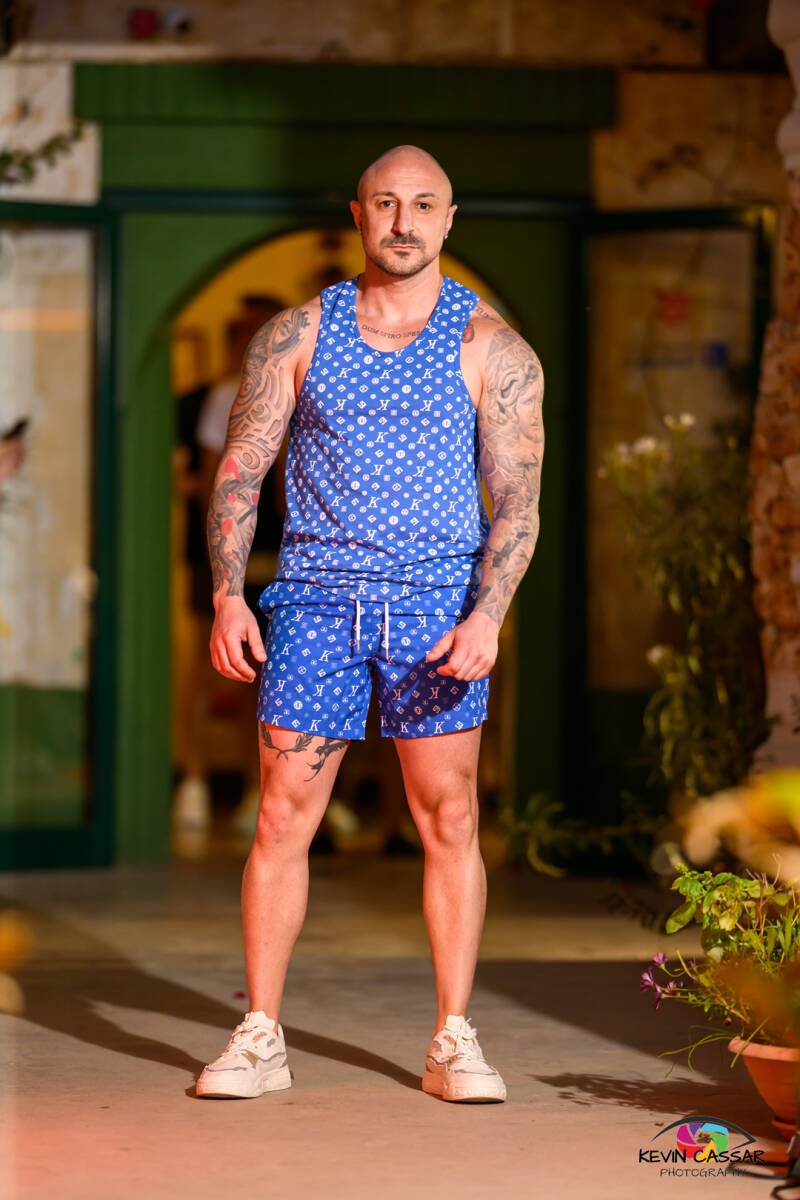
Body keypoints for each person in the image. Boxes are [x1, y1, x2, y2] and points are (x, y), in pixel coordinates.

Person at [196, 145, 544, 1104]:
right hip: (314, 601)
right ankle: (261, 1034)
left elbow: (517, 500)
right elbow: (241, 472)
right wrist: (228, 593)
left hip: (437, 608)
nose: (403, 221)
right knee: (281, 816)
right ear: (357, 214)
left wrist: (489, 614)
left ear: (449, 218)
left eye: (423, 205)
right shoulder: (296, 334)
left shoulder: (494, 348)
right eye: (386, 203)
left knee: (450, 817)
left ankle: (453, 1039)